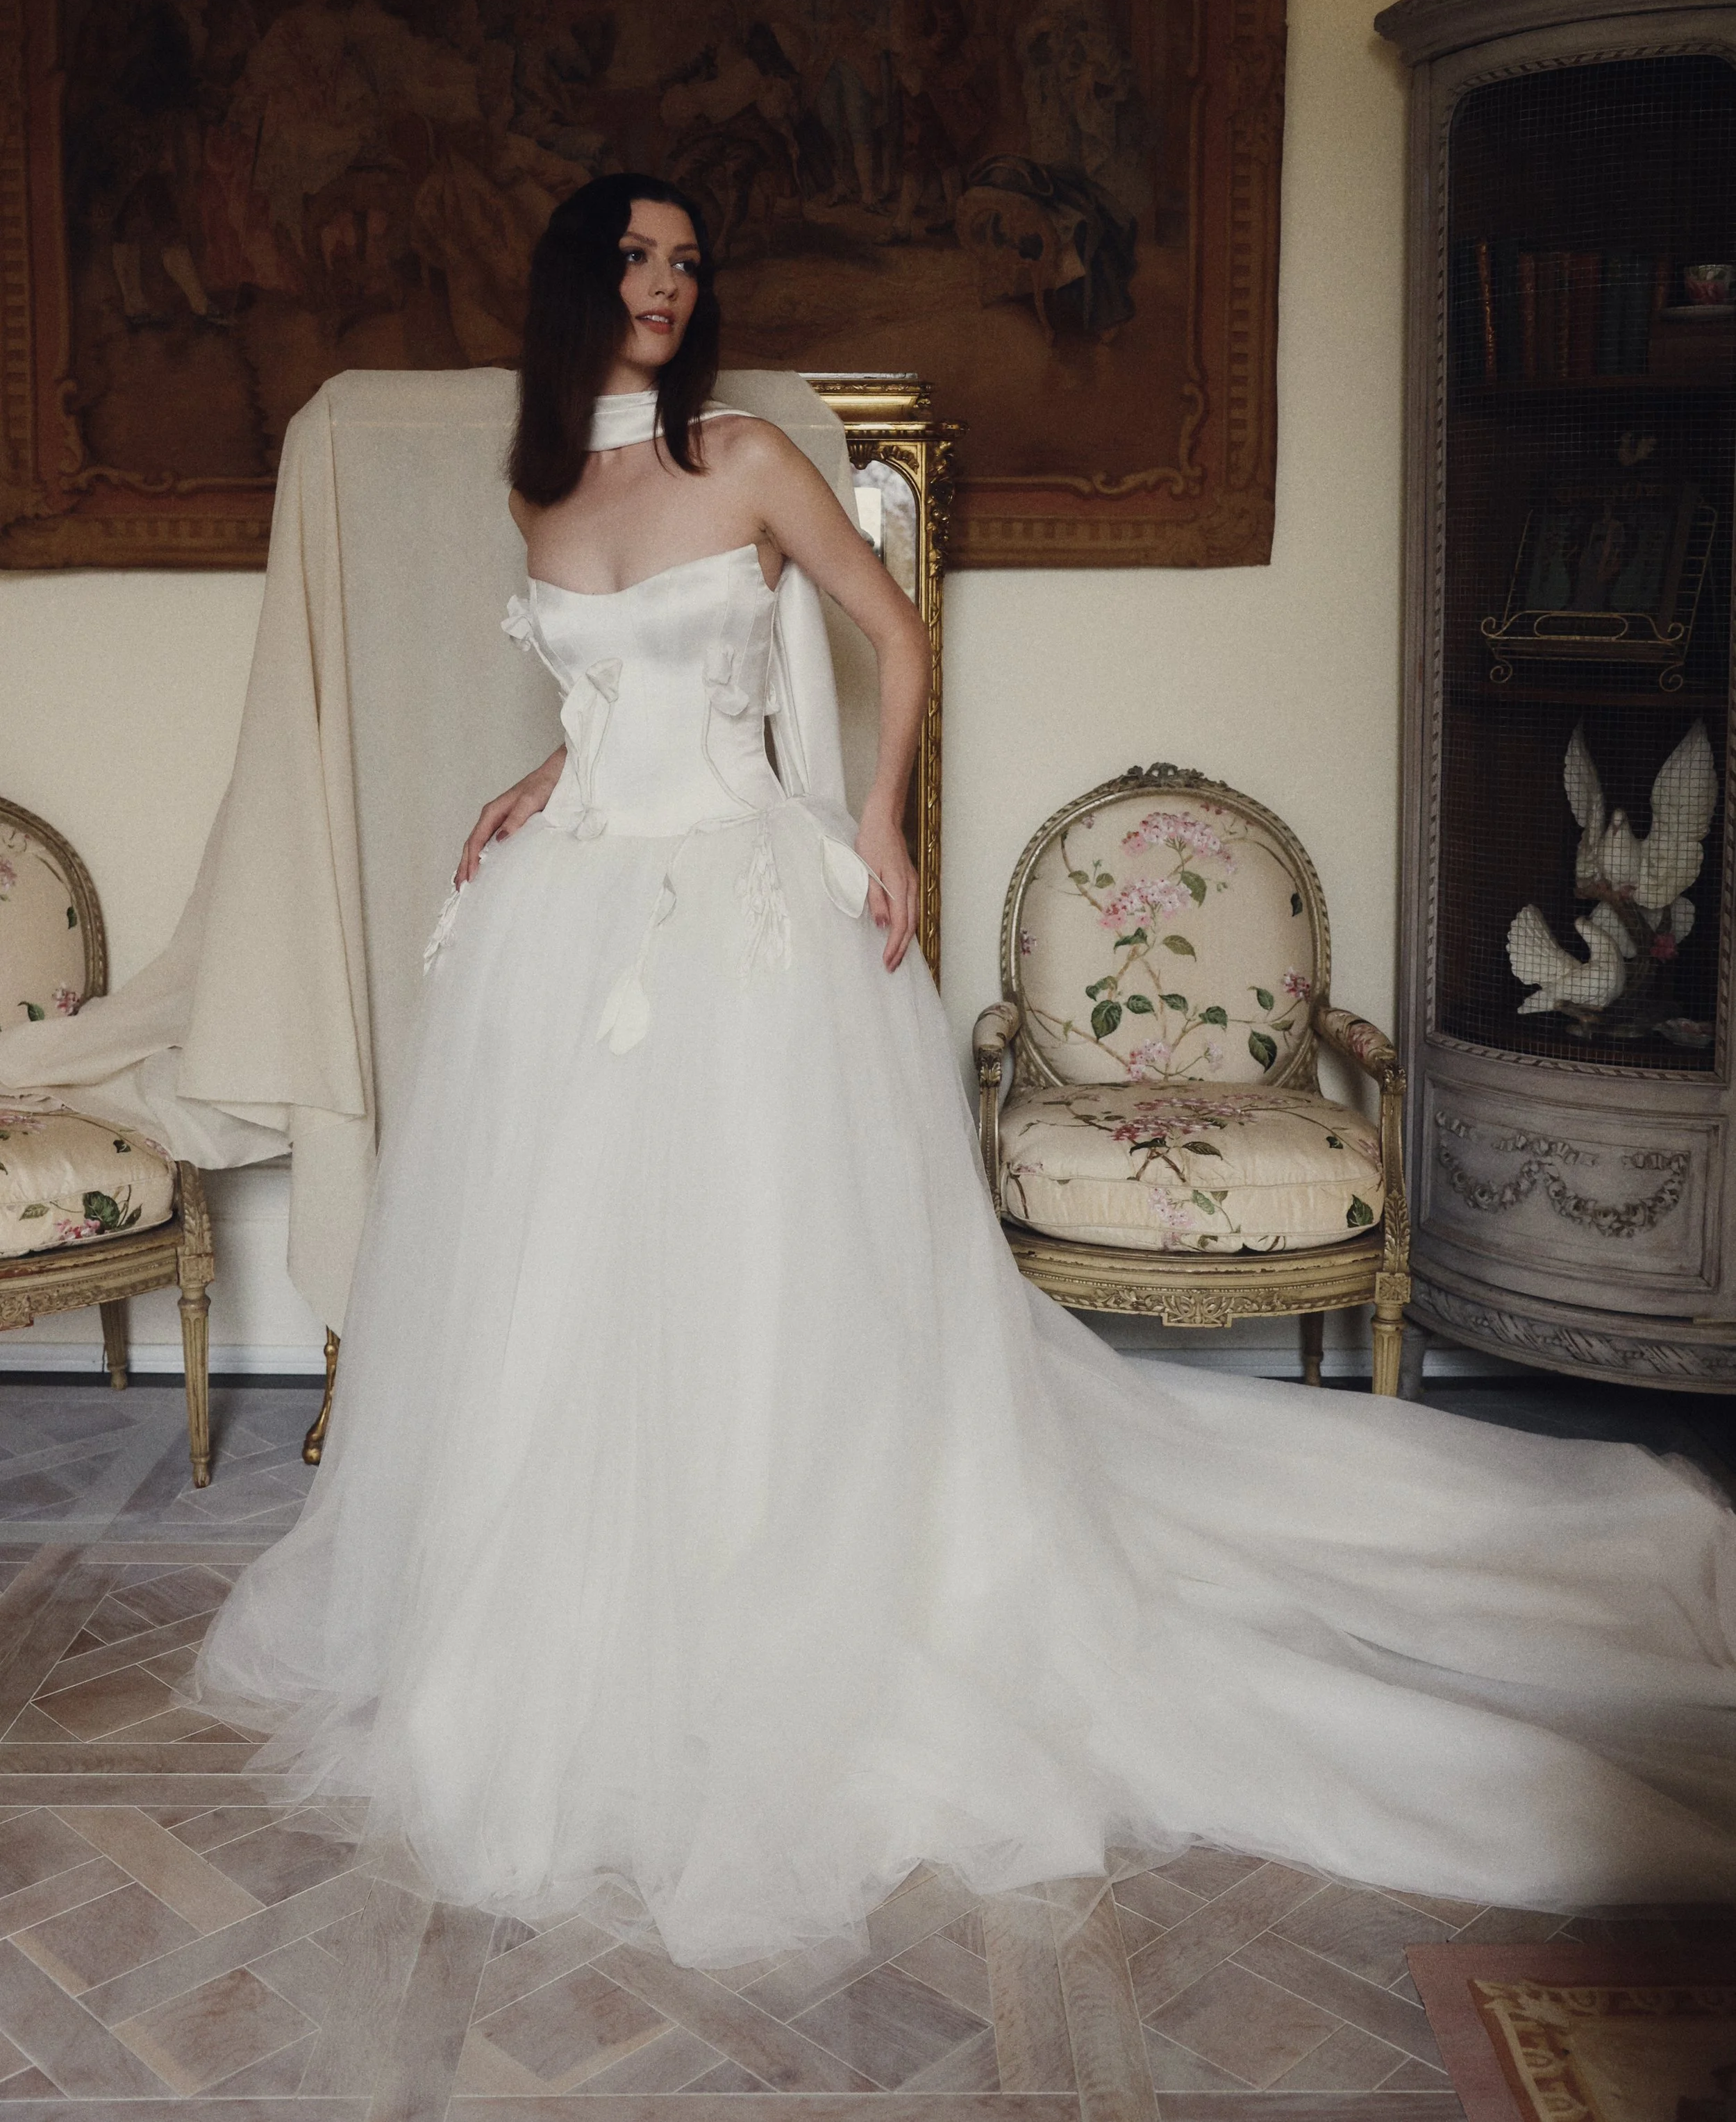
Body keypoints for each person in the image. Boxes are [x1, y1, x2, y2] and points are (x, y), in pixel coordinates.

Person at [194, 172, 1736, 1972]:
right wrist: (541, 781)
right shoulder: (537, 485)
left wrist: (875, 819)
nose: (669, 286)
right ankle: (592, 1601)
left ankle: (773, 1588)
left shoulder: (747, 458)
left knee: (765, 1272)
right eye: (636, 259)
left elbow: (893, 632)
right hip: (575, 916)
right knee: (577, 1274)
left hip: (742, 908)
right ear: (573, 279)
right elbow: (604, 696)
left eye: (688, 262)